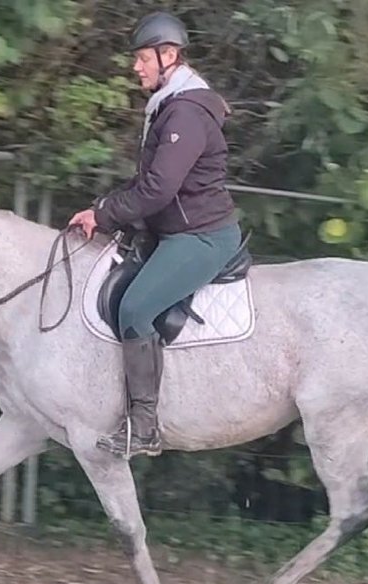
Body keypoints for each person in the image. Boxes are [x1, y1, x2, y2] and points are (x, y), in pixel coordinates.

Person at [69, 10, 242, 459]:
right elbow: (150, 183)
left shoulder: (185, 111)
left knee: (136, 307)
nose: (136, 67)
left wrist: (105, 214)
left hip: (202, 237)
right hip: (176, 232)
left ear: (169, 56)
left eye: (143, 58)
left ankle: (143, 427)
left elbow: (159, 189)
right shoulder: (169, 107)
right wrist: (102, 209)